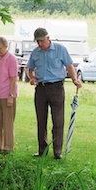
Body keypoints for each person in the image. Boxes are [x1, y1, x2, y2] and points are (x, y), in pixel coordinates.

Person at [26, 27, 82, 159]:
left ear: (48, 38)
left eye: (41, 41)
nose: (40, 44)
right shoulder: (35, 53)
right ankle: (42, 150)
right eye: (37, 41)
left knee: (58, 120)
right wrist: (32, 78)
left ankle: (57, 151)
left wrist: (74, 79)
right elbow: (30, 69)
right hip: (41, 88)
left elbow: (69, 66)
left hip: (56, 87)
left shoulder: (60, 49)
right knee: (41, 119)